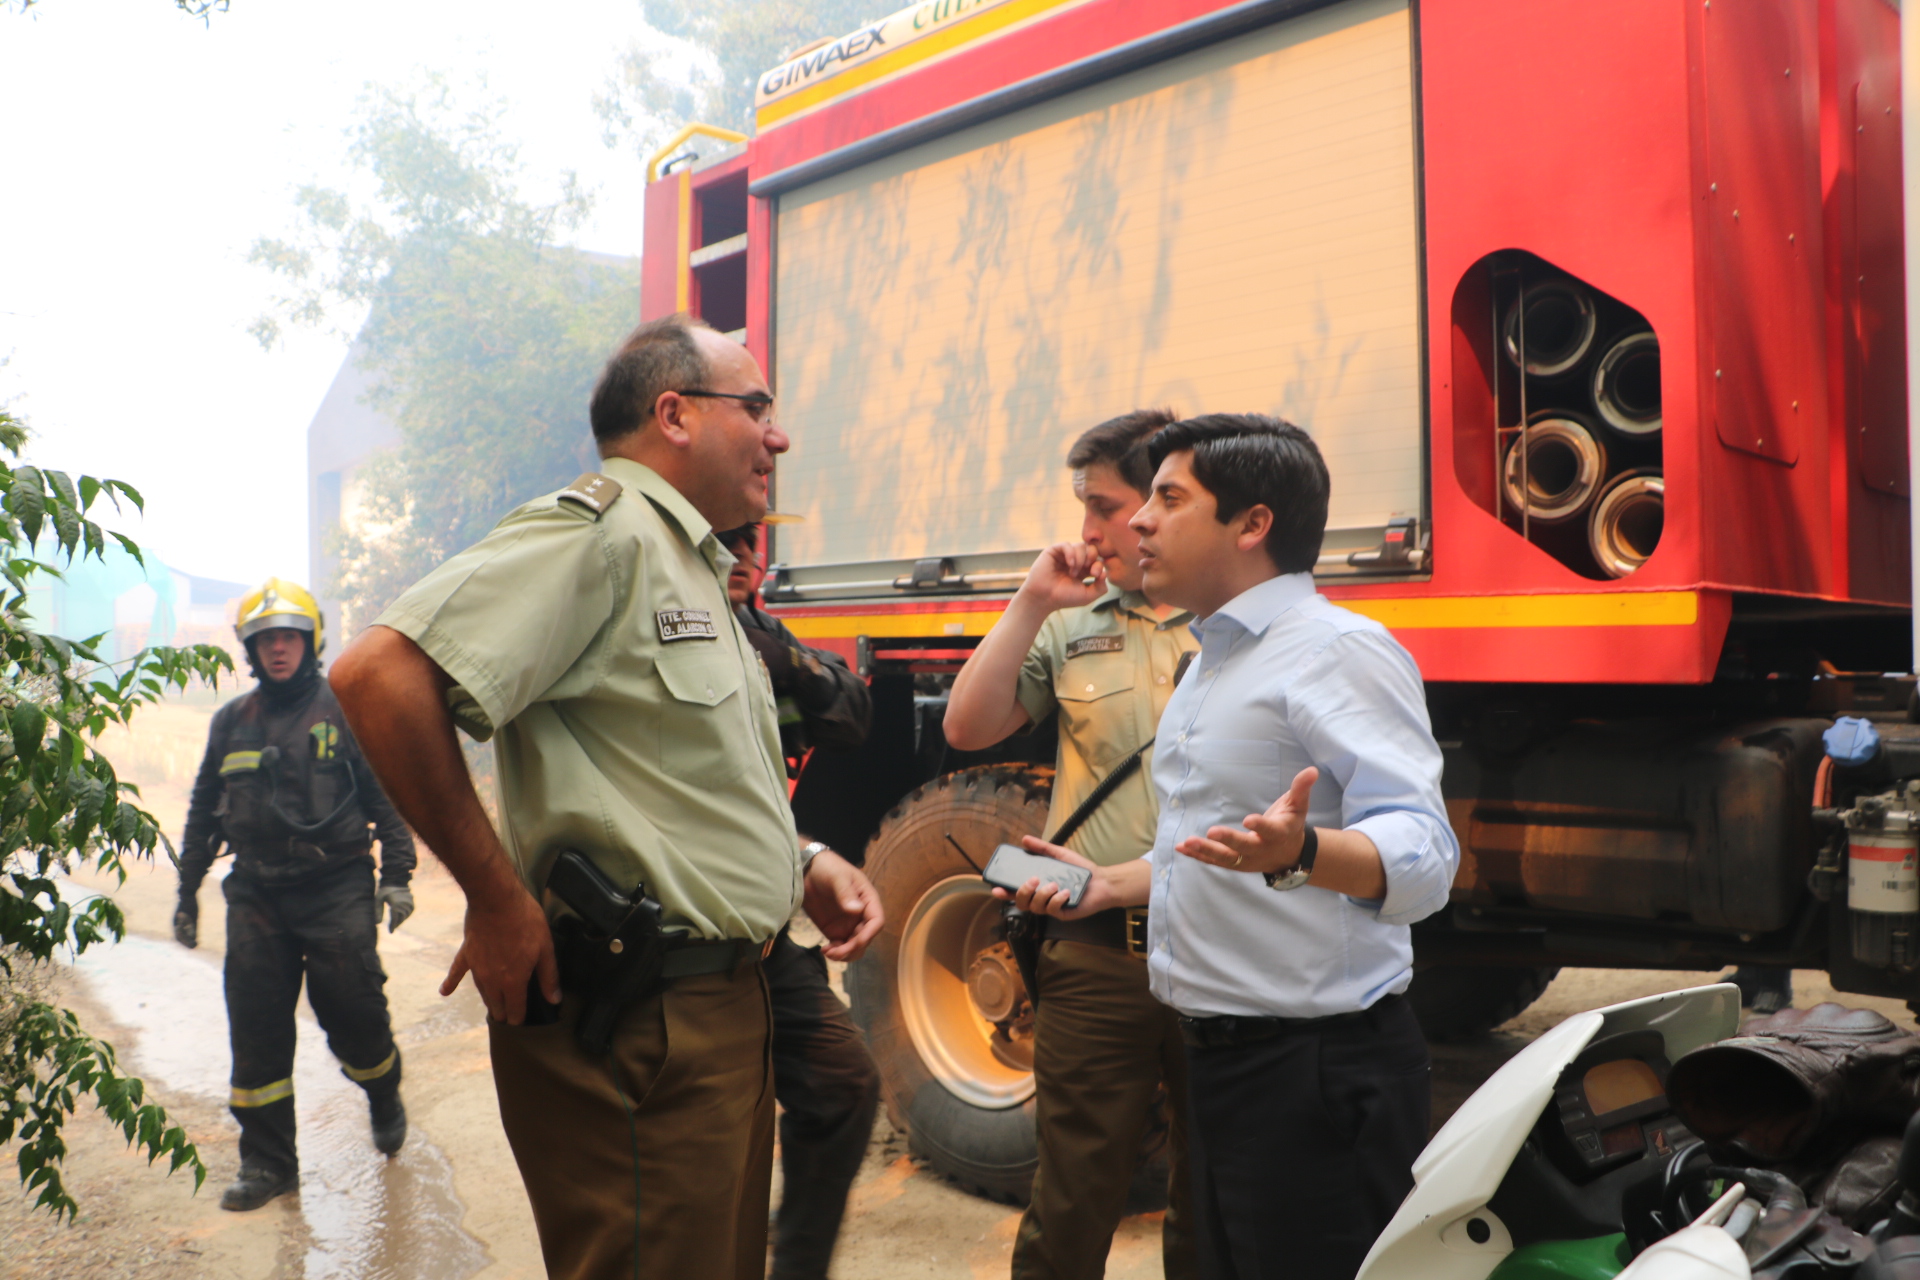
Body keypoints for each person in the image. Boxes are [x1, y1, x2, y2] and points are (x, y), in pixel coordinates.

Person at [327, 313, 884, 1280]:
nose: (777, 435)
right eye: (755, 407)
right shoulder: (602, 534)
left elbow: (676, 783)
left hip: (724, 1008)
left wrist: (799, 863)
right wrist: (497, 899)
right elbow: (379, 676)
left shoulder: (697, 567)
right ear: (674, 413)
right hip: (643, 1027)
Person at [1005, 414, 1459, 1280]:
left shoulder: (1338, 650)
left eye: (1170, 499)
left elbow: (1426, 851)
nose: (1139, 520)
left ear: (1253, 525)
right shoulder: (1213, 657)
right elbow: (1208, 845)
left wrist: (1304, 854)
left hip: (1311, 1075)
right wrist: (1111, 884)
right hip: (1221, 1068)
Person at [944, 409, 1200, 1280]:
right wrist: (1029, 603)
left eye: (1105, 506)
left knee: (1214, 1201)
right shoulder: (1073, 622)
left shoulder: (1237, 621)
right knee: (1072, 1201)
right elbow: (968, 725)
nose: (1089, 531)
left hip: (1220, 946)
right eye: (1085, 507)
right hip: (1094, 955)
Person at [173, 577, 416, 1212]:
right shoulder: (231, 722)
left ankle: (382, 1086)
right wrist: (187, 889)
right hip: (255, 893)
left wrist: (396, 873)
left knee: (352, 1009)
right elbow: (203, 808)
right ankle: (269, 1166)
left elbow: (385, 796)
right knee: (255, 1028)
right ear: (250, 652)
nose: (278, 649)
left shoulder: (344, 709)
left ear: (310, 643)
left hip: (335, 885)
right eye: (266, 640)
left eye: (289, 637)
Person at [715, 520, 880, 1280]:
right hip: (697, 917)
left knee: (842, 1084)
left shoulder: (764, 634)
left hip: (773, 911)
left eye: (752, 548)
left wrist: (788, 665)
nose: (745, 559)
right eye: (728, 546)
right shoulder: (665, 629)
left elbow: (853, 716)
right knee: (721, 1130)